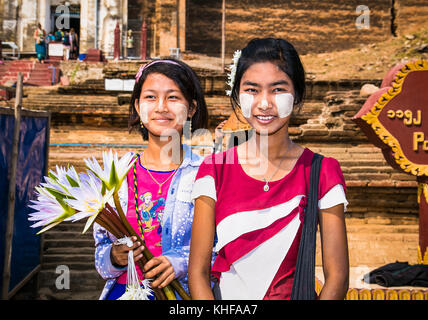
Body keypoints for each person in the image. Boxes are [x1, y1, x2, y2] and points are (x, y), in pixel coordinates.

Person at [189, 38, 349, 300]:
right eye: (252, 90)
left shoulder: (322, 172)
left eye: (277, 90)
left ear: (296, 95)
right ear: (238, 96)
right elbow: (198, 273)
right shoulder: (214, 170)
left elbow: (337, 277)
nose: (264, 103)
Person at [93, 58, 209, 300]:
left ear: (192, 108)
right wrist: (114, 257)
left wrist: (182, 262)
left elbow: (225, 250)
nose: (161, 107)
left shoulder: (207, 174)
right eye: (150, 97)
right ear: (137, 106)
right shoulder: (116, 176)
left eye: (173, 97)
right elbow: (101, 257)